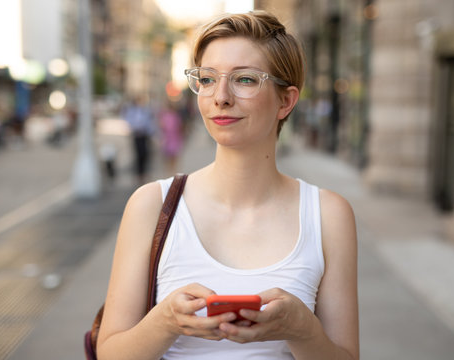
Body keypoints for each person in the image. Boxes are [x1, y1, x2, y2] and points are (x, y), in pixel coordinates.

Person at [98, 10, 358, 360]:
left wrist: (303, 330)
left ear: (286, 101)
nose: (220, 96)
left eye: (245, 79)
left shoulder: (328, 215)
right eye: (207, 79)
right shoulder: (151, 205)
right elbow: (109, 353)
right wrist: (165, 323)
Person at [122, 96, 156, 184]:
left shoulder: (145, 111)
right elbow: (128, 120)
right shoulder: (132, 111)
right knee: (138, 154)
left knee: (145, 154)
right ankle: (139, 174)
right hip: (136, 135)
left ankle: (144, 173)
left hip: (144, 135)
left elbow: (149, 122)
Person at [158, 101, 184, 175]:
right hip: (171, 139)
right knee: (172, 158)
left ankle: (171, 171)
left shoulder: (167, 117)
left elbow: (162, 127)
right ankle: (172, 171)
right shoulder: (173, 116)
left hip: (170, 139)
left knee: (170, 158)